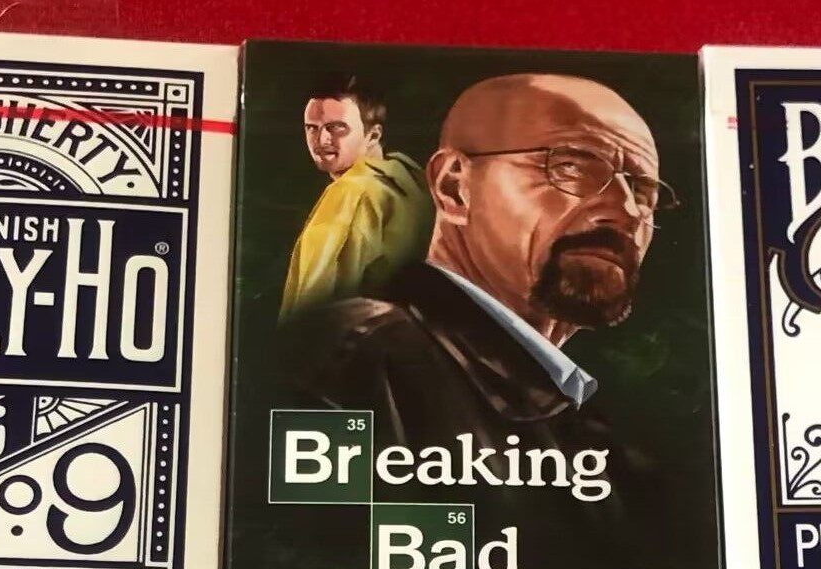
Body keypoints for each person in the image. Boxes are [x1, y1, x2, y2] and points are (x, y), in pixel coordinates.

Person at [288, 72, 675, 452]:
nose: (628, 211)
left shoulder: (579, 416)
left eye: (642, 191)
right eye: (572, 167)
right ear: (453, 187)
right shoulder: (359, 357)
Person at [279, 76, 431, 316]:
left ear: (374, 135)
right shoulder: (411, 181)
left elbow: (310, 310)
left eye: (336, 127)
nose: (321, 140)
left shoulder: (352, 191)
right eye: (312, 128)